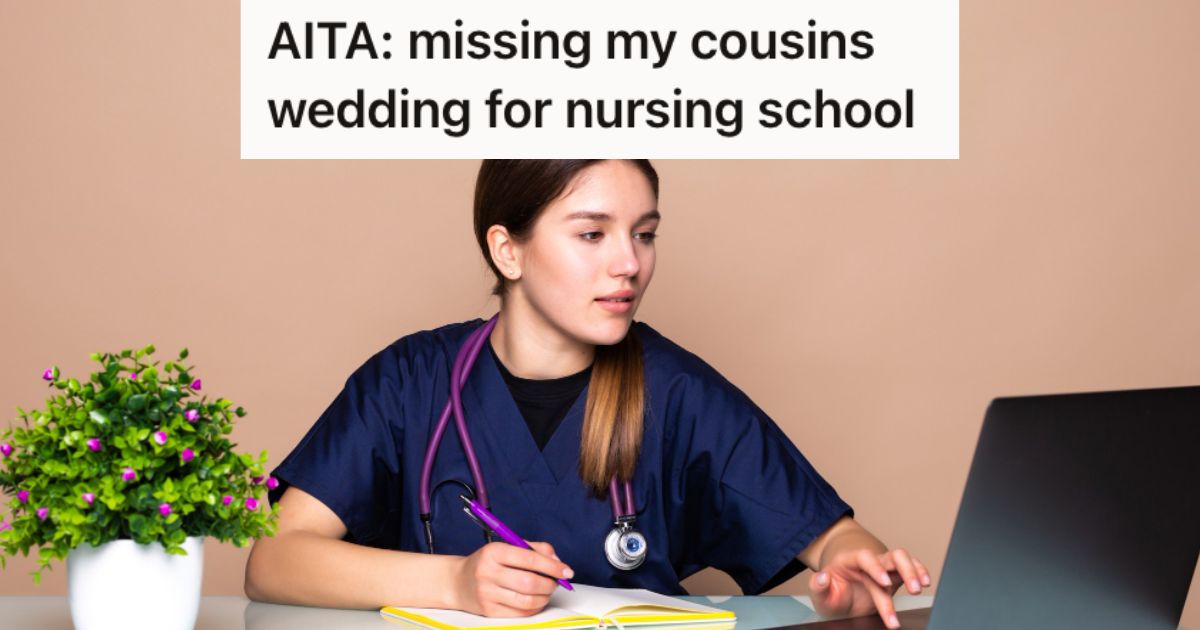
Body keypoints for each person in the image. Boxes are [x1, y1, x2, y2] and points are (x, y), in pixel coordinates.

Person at [244, 159, 932, 629]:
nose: (629, 263)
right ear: (507, 250)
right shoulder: (406, 383)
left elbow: (831, 535)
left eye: (645, 234)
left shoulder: (677, 391)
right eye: (592, 234)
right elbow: (274, 558)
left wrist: (852, 566)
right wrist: (454, 584)